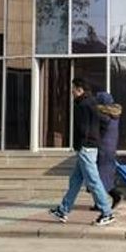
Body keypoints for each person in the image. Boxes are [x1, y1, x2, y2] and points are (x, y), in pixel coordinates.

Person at [48, 79, 115, 226]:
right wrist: (96, 138)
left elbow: (82, 127)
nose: (71, 91)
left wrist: (85, 140)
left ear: (80, 90)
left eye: (73, 88)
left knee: (93, 181)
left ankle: (107, 213)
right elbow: (105, 122)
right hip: (89, 147)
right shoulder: (93, 103)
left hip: (86, 148)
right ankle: (63, 210)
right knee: (75, 180)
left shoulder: (83, 105)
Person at [94, 91, 123, 209]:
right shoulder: (114, 114)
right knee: (102, 177)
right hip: (110, 148)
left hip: (102, 149)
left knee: (99, 177)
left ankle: (116, 195)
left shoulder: (103, 115)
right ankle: (98, 203)